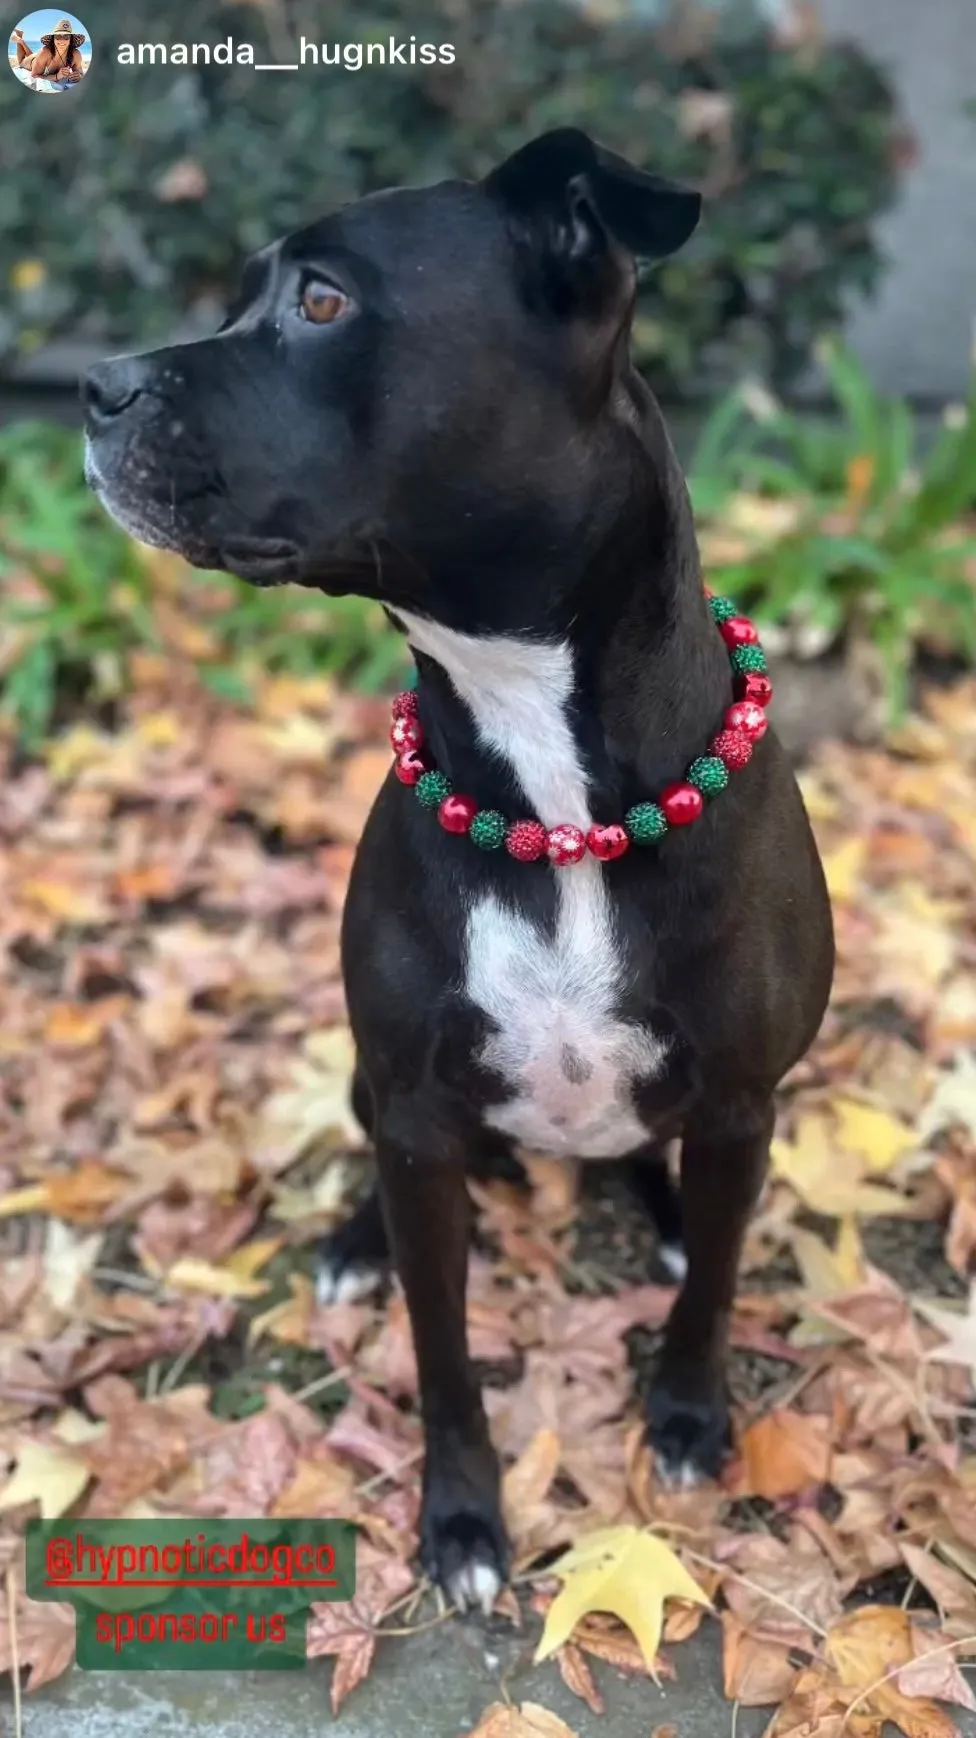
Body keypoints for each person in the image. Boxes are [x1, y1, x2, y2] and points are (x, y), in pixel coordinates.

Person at [12, 18, 87, 85]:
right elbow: (34, 76)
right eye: (58, 36)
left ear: (71, 39)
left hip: (40, 58)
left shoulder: (76, 55)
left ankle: (21, 39)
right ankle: (20, 39)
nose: (62, 40)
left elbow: (80, 73)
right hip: (33, 61)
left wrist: (79, 76)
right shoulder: (45, 52)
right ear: (53, 39)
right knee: (21, 62)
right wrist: (56, 76)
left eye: (66, 36)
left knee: (35, 57)